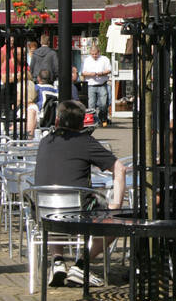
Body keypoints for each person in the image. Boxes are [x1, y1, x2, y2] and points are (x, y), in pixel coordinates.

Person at [34, 99, 125, 286]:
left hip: (44, 211)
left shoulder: (45, 141)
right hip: (78, 212)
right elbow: (120, 169)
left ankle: (58, 261)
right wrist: (116, 205)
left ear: (58, 120)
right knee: (117, 221)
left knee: (56, 207)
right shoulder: (85, 142)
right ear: (83, 122)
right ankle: (81, 265)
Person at [81, 43, 112, 127]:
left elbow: (109, 70)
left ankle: (103, 119)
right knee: (91, 104)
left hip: (102, 84)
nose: (94, 56)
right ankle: (93, 120)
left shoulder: (104, 59)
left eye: (96, 54)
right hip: (91, 85)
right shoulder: (87, 60)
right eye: (92, 54)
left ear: (99, 52)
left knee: (103, 104)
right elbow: (83, 72)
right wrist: (91, 74)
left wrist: (101, 73)